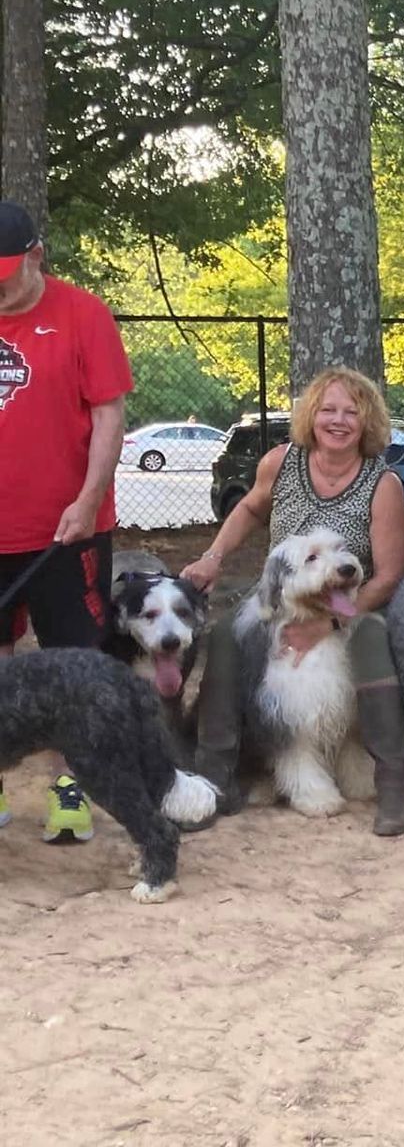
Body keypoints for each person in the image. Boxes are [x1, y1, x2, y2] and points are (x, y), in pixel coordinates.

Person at [181, 367, 404, 836]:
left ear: (366, 422)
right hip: (283, 593)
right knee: (228, 635)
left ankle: (391, 781)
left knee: (368, 638)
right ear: (311, 415)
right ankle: (217, 770)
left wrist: (328, 624)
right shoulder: (281, 461)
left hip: (353, 600)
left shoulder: (382, 483)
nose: (339, 420)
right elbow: (249, 507)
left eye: (352, 412)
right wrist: (213, 557)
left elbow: (389, 574)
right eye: (328, 409)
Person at [0, 202, 133, 844]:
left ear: (36, 256)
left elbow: (109, 415)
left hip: (66, 530)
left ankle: (69, 787)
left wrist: (88, 497)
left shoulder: (84, 314)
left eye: (6, 273)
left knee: (71, 664)